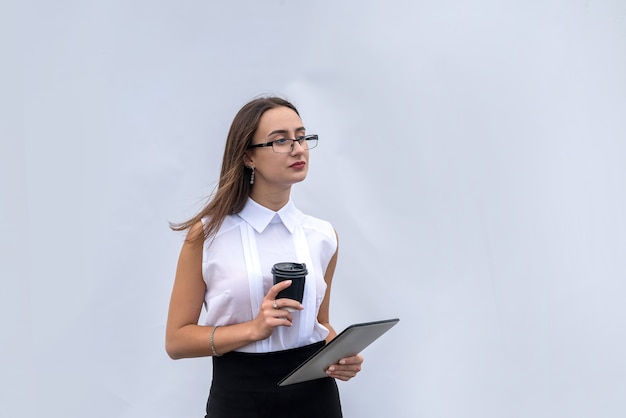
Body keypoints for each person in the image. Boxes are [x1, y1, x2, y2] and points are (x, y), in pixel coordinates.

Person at [165, 96, 364, 418]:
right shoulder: (207, 235)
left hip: (316, 401)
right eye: (280, 140)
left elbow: (319, 323)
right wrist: (253, 329)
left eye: (301, 137)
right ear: (248, 157)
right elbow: (177, 340)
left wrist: (339, 353)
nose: (298, 148)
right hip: (240, 400)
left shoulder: (323, 235)